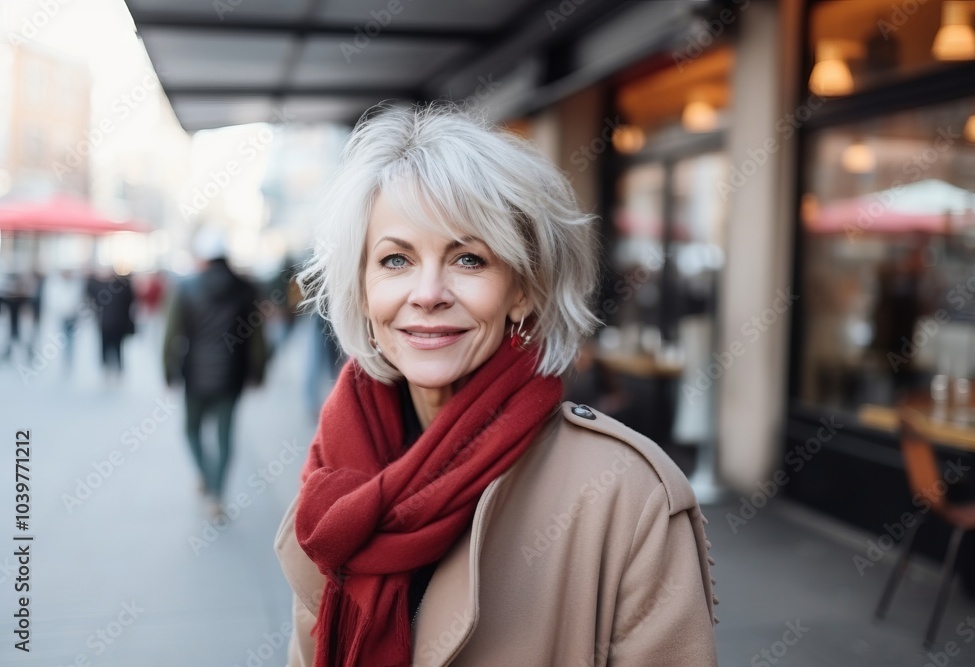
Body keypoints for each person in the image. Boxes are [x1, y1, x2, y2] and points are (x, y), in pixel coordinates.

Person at [274, 105, 718, 666]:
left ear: (523, 290)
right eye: (395, 260)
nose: (429, 292)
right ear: (362, 291)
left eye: (468, 258)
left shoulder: (628, 496)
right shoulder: (336, 473)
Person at [163, 228, 267, 514]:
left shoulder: (185, 287)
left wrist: (168, 370)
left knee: (191, 430)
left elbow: (171, 334)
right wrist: (259, 372)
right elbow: (258, 336)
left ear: (203, 258)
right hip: (232, 376)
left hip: (194, 375)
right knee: (225, 435)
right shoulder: (247, 289)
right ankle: (217, 495)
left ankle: (206, 477)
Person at [86, 269, 135, 381]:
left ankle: (110, 367)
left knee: (111, 346)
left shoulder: (110, 288)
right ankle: (114, 368)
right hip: (113, 323)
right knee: (114, 346)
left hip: (110, 323)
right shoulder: (120, 288)